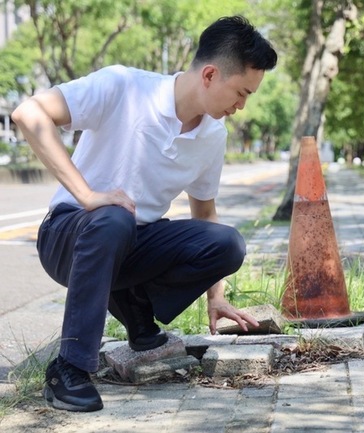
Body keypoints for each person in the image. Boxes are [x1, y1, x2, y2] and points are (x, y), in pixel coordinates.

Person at [11, 16, 277, 413]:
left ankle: (133, 304)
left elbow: (204, 212)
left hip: (131, 242)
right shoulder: (123, 86)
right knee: (114, 219)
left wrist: (215, 298)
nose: (241, 106)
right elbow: (27, 113)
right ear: (209, 74)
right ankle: (68, 368)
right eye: (240, 93)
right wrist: (87, 194)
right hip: (69, 233)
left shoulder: (212, 136)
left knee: (227, 244)